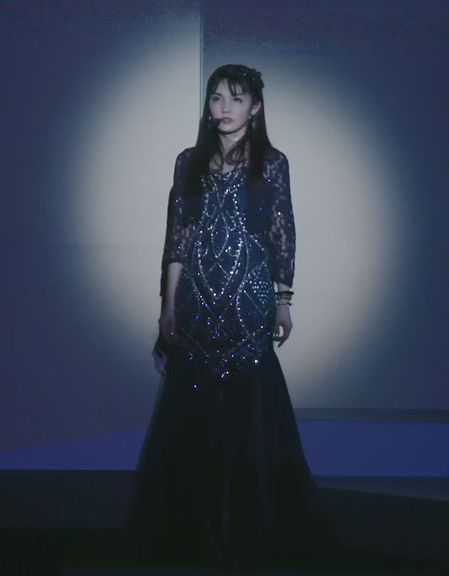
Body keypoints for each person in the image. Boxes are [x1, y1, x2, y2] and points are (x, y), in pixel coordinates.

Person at [126, 64, 336, 570]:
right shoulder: (189, 161)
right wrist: (167, 306)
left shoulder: (273, 163)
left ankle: (250, 539)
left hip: (249, 303)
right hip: (196, 303)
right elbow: (177, 238)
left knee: (248, 421)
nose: (224, 108)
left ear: (256, 108)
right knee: (195, 421)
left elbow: (283, 230)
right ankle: (194, 541)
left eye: (236, 99)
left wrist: (284, 299)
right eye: (216, 97)